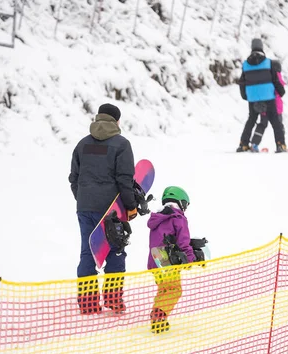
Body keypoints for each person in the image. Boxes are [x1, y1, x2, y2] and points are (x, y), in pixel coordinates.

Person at [68, 103, 138, 314]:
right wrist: (131, 206)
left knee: (88, 251)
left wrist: (82, 199)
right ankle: (113, 299)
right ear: (116, 120)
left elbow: (74, 178)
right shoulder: (122, 144)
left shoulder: (82, 145)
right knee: (116, 251)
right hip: (111, 210)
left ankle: (88, 303)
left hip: (85, 208)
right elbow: (124, 180)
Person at [146, 186, 205, 334]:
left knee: (164, 289)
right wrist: (190, 259)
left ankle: (158, 318)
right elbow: (182, 241)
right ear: (180, 202)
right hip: (168, 260)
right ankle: (159, 315)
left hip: (155, 260)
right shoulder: (178, 218)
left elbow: (164, 238)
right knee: (175, 290)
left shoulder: (158, 218)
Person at [237, 38, 288, 153]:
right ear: (261, 48)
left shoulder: (245, 65)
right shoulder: (268, 63)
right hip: (268, 96)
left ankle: (243, 144)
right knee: (275, 121)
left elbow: (242, 82)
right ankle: (281, 145)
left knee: (251, 120)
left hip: (253, 98)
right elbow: (275, 80)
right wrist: (281, 92)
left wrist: (245, 96)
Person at [249, 60, 285, 152]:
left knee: (262, 125)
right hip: (276, 108)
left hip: (265, 106)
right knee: (279, 126)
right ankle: (281, 145)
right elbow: (280, 91)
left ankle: (254, 144)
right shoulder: (278, 78)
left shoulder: (266, 77)